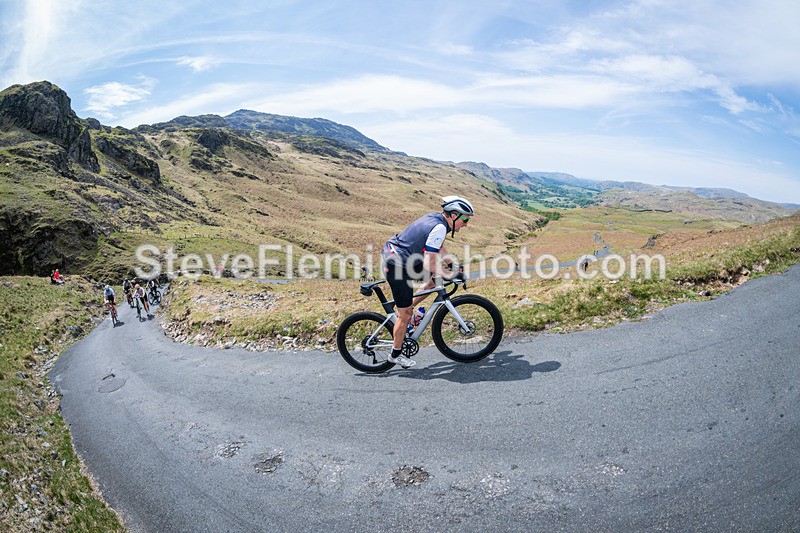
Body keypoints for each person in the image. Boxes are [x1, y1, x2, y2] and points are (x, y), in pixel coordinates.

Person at [381, 195, 473, 368]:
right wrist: (450, 274)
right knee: (404, 313)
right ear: (454, 216)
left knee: (433, 281)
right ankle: (395, 354)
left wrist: (451, 264)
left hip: (398, 254)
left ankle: (411, 309)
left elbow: (436, 246)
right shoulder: (439, 227)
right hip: (397, 264)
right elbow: (428, 263)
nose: (466, 224)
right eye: (465, 219)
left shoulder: (438, 220)